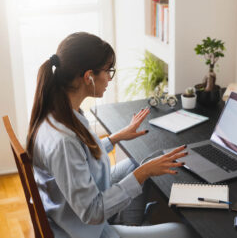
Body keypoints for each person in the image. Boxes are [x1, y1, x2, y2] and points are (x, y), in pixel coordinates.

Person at [27, 32, 193, 238]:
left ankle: (135, 219)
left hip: (73, 213)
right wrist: (143, 173)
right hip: (84, 229)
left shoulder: (59, 111)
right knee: (183, 232)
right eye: (108, 71)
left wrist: (115, 138)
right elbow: (92, 212)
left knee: (139, 162)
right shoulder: (64, 140)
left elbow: (80, 155)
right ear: (89, 77)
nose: (109, 78)